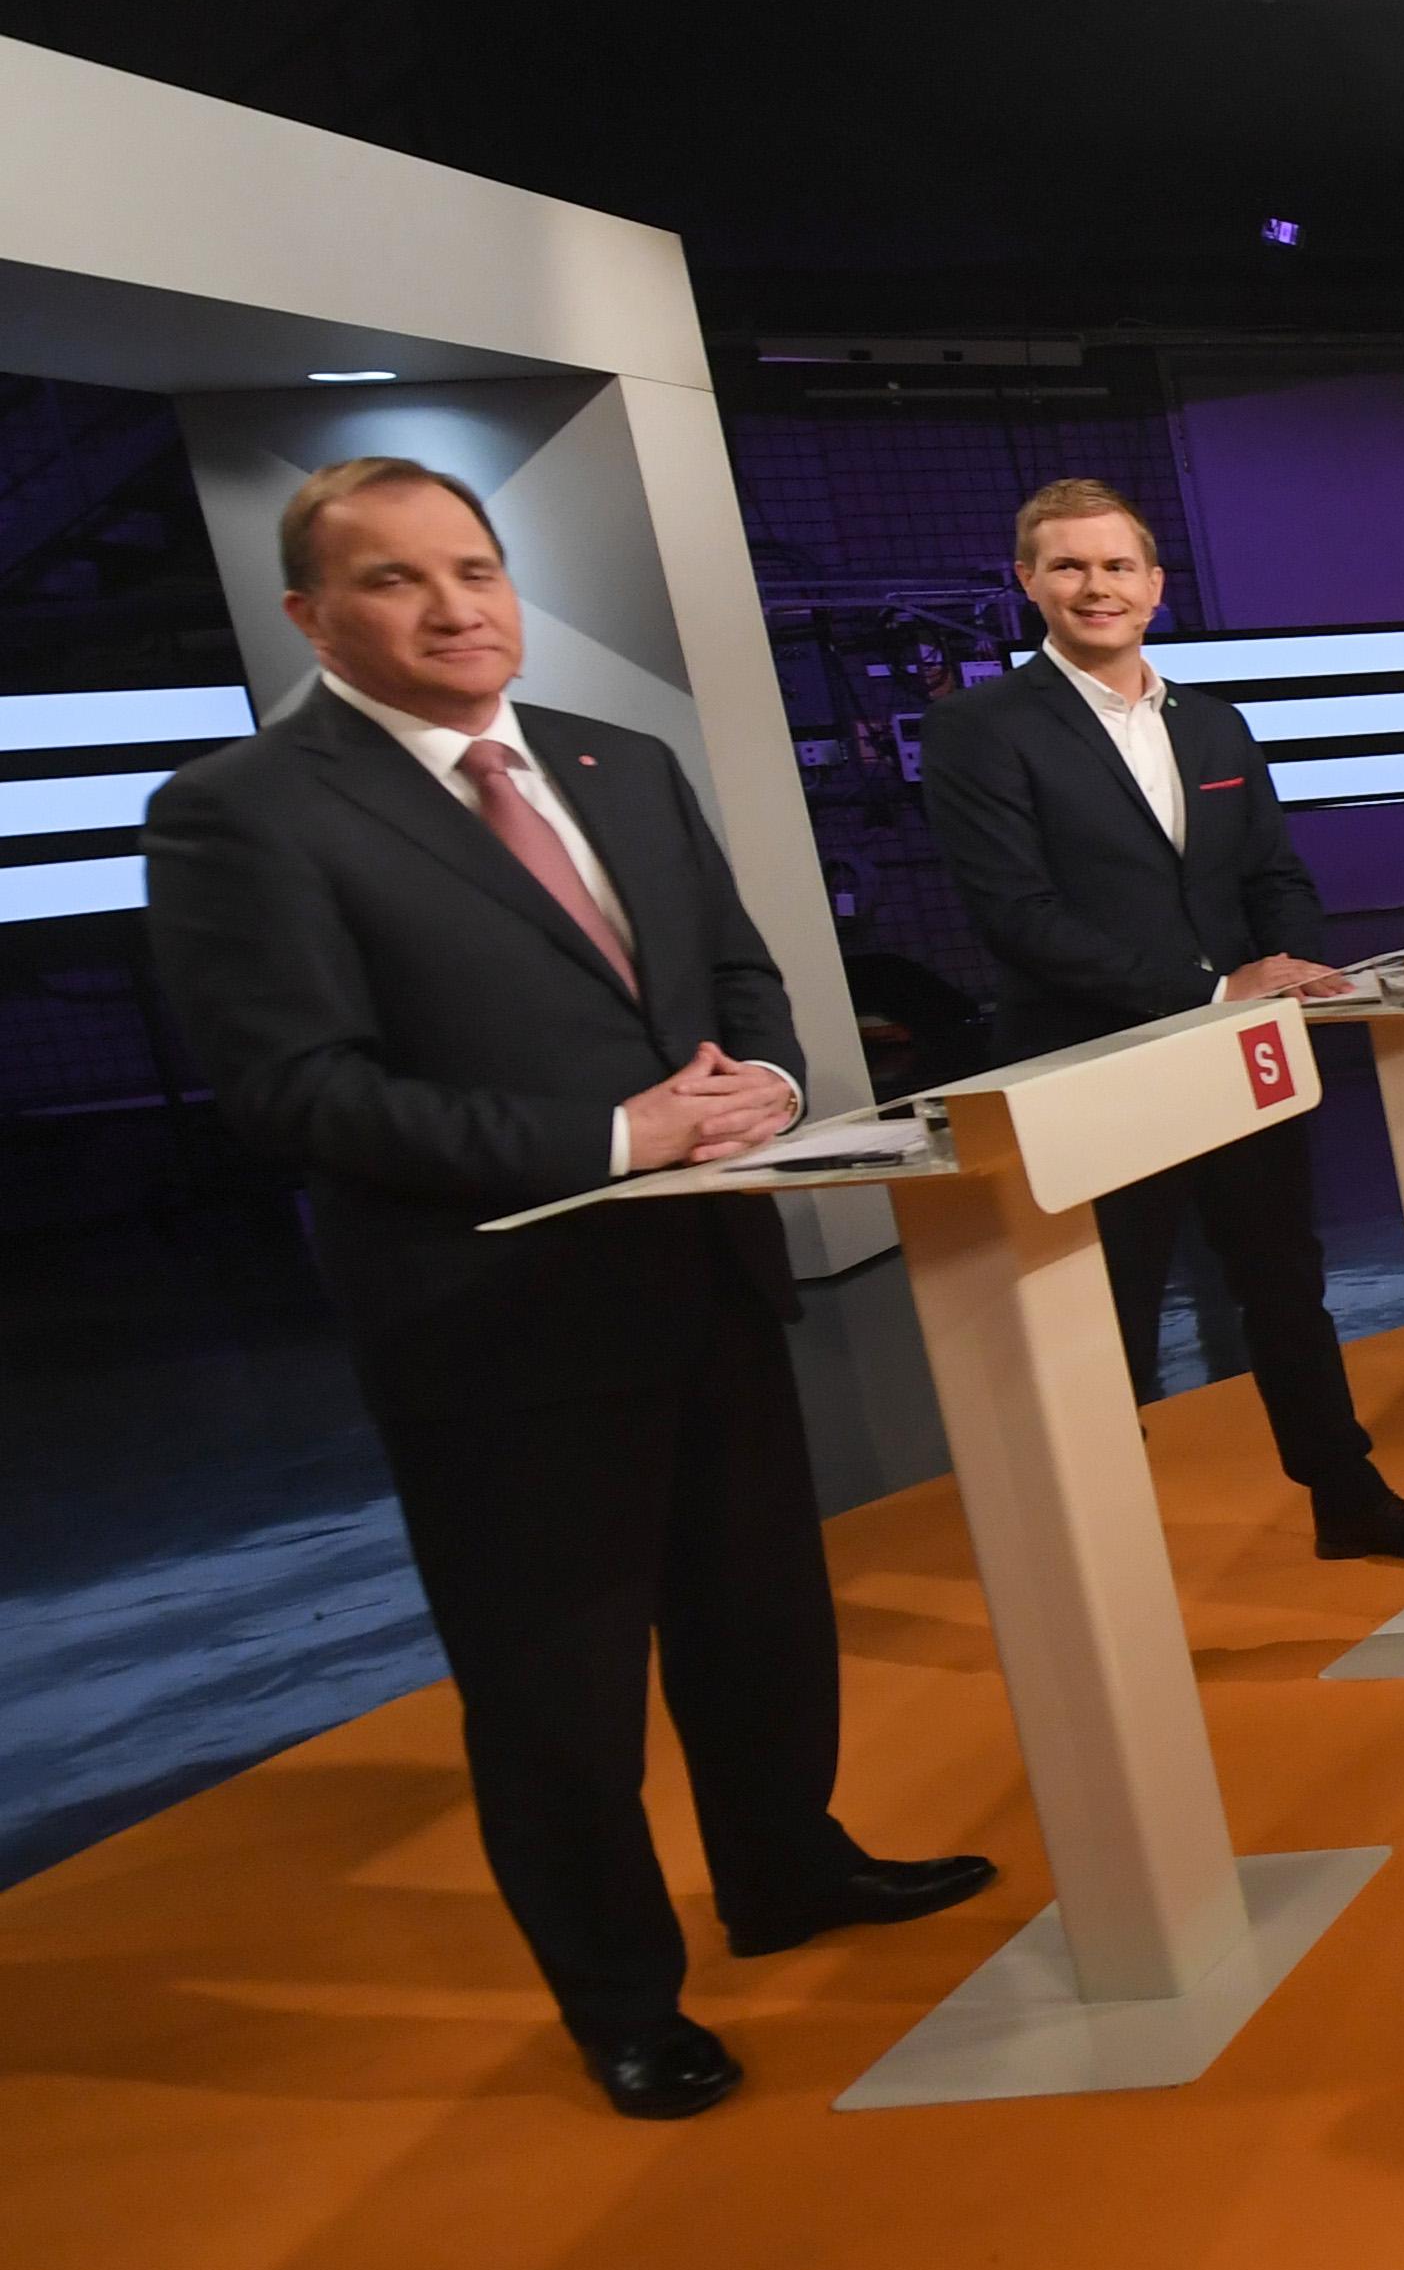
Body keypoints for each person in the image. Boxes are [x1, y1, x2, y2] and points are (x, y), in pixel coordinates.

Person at [141, 458, 992, 2119]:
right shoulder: (246, 808)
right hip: (497, 1326)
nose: (457, 607)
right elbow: (300, 1091)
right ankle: (621, 1998)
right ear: (313, 615)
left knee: (756, 1619)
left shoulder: (622, 761)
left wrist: (761, 1076)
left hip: (709, 1272)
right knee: (560, 1692)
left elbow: (738, 970)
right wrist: (610, 1132)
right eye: (397, 580)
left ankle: (786, 1866)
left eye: (477, 567)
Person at [919, 481, 1404, 1559]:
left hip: (1239, 1058)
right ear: (1026, 581)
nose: (1095, 587)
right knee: (1106, 1312)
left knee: (1284, 1283)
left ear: (1156, 587)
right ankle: (1101, 1554)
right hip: (1091, 1068)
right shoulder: (979, 729)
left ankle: (1346, 1498)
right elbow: (1018, 918)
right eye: (1067, 566)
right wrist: (1212, 990)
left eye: (1117, 566)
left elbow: (1272, 872)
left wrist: (1296, 959)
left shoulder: (1213, 721)